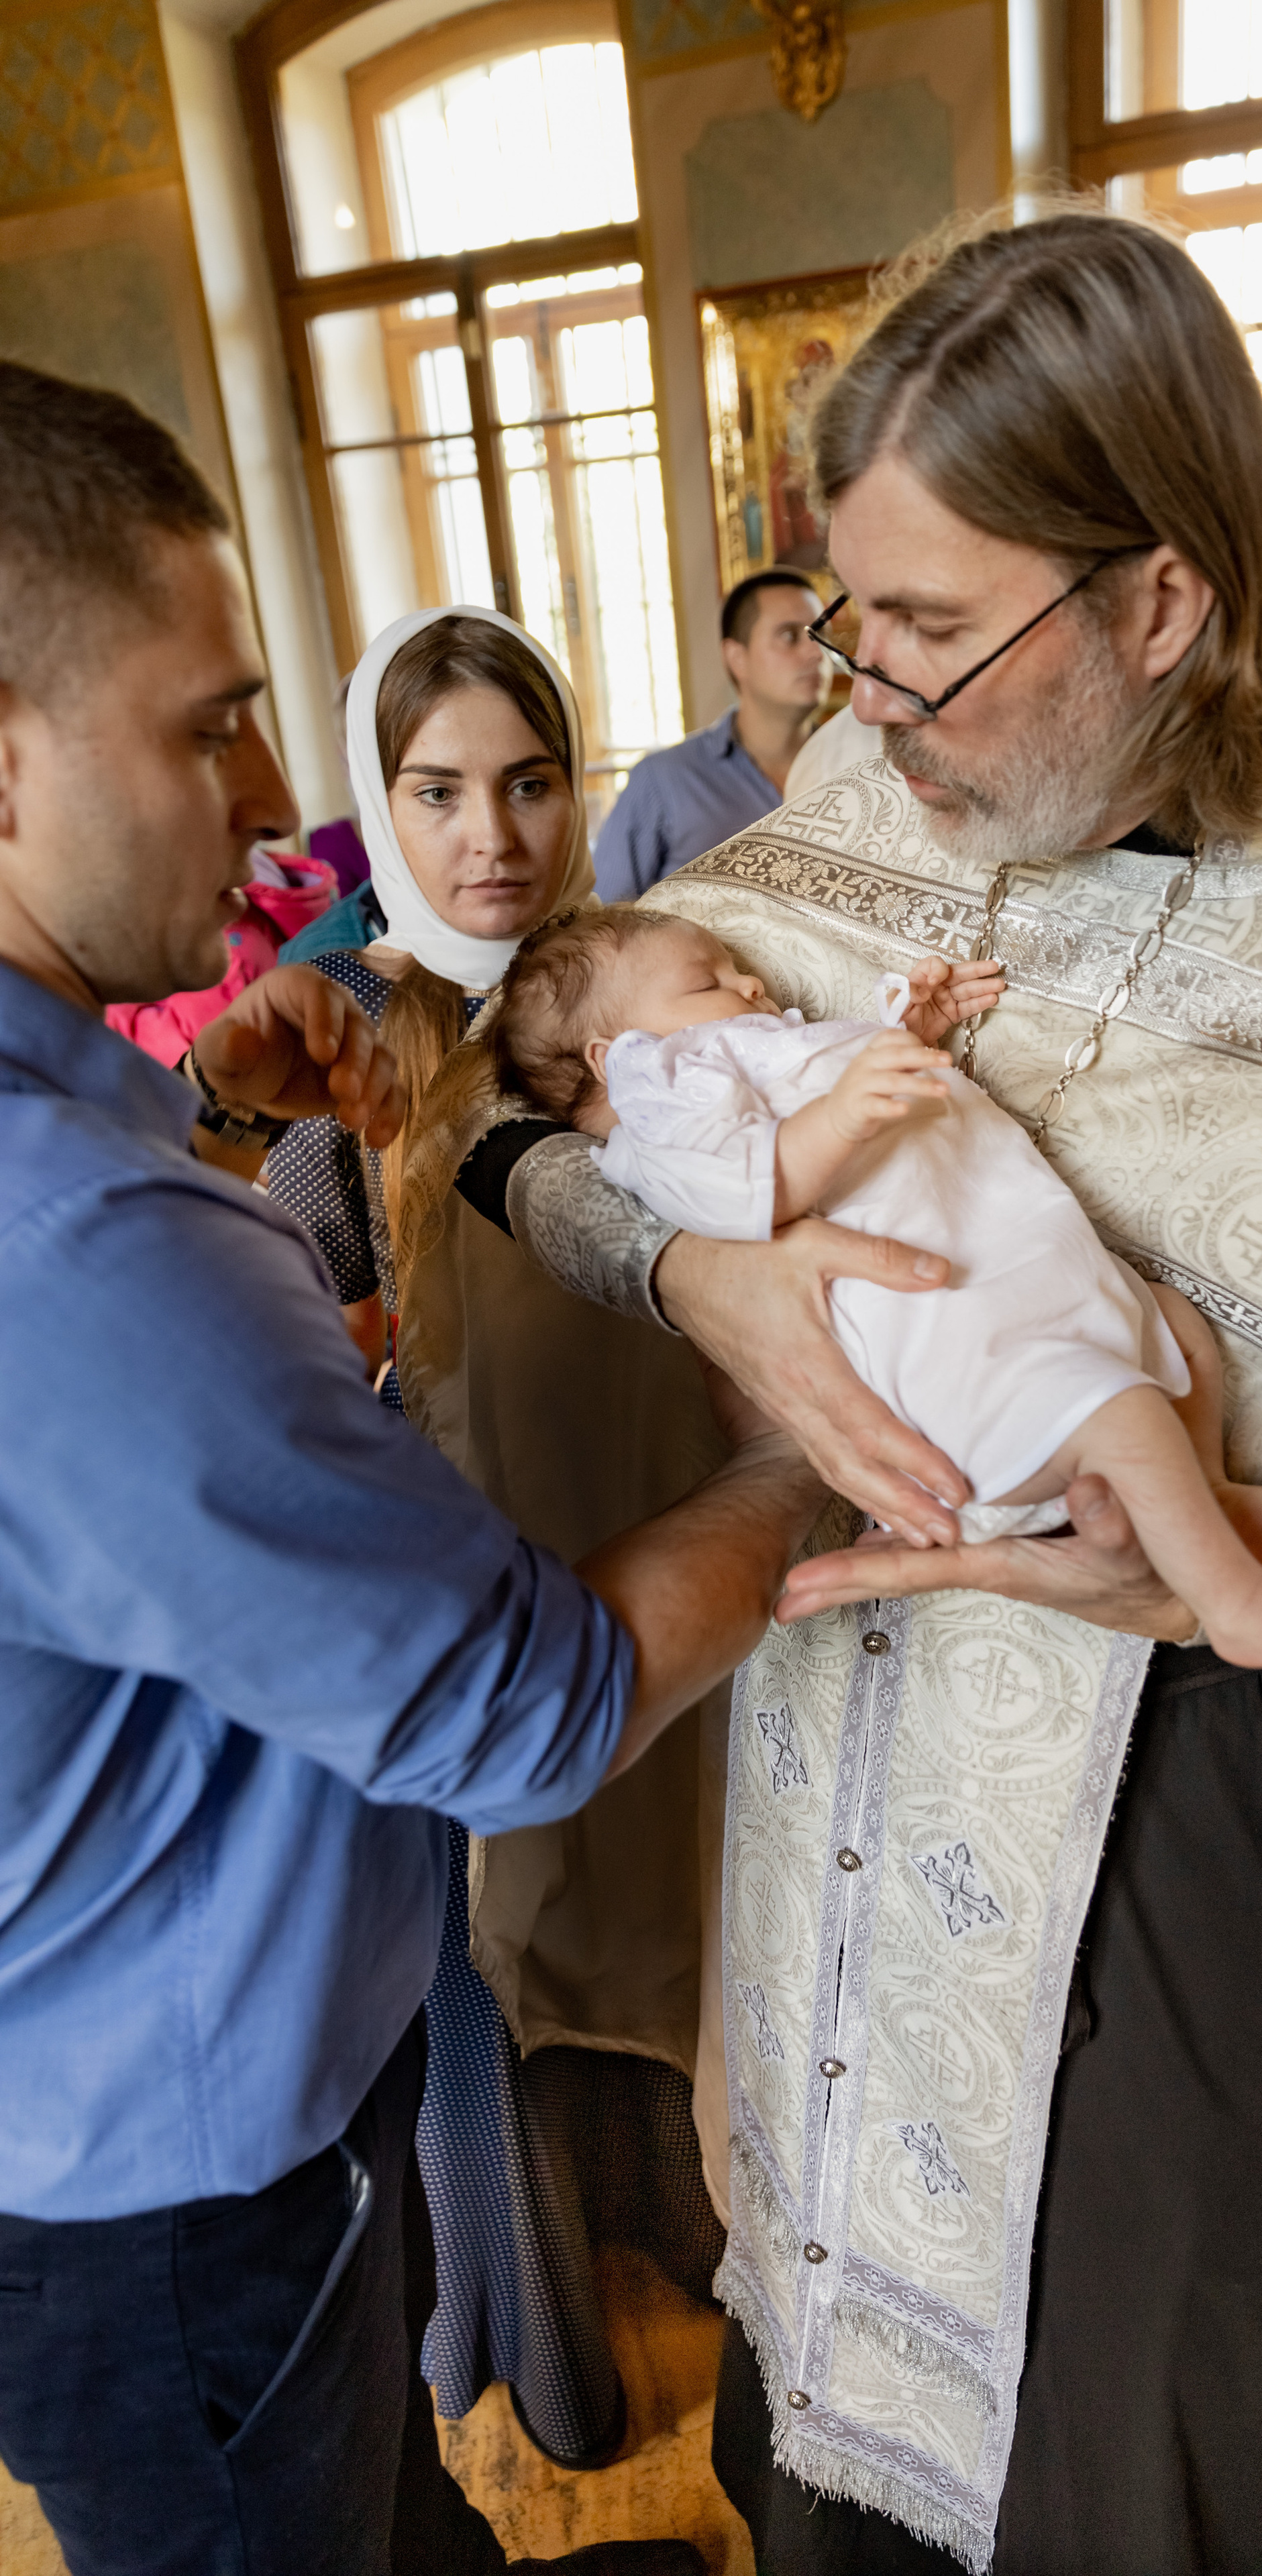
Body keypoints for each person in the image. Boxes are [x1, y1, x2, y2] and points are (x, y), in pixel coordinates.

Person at [431, 208, 1262, 2573]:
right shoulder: (856, 850)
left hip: (1193, 1868)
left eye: (919, 636)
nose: (855, 707)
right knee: (839, 2446)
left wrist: (1212, 1542)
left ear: (1160, 604)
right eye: (840, 627)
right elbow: (515, 1135)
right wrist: (706, 1275)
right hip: (852, 1827)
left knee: (1148, 2471)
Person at [0, 360, 837, 2573]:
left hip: (156, 2091)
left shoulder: (113, 1141)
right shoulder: (83, 1246)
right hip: (173, 2183)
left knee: (383, 2510)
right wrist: (823, 1439)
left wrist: (223, 1132)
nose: (281, 799)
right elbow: (525, 1708)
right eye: (209, 726)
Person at [263, 605, 746, 2477]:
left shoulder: (635, 995)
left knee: (683, 1925)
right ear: (376, 808)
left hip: (676, 1569)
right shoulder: (346, 1048)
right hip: (489, 1621)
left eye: (533, 779)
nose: (495, 835)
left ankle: (706, 2236)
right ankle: (544, 2339)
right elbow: (286, 1332)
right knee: (512, 1975)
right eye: (439, 790)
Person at [477, 903, 1262, 1668]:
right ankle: (1243, 1607)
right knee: (1122, 1409)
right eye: (707, 980)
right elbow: (742, 1186)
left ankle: (1204, 1502)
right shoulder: (661, 1099)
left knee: (1172, 1331)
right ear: (615, 1055)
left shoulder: (739, 1052)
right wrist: (846, 1110)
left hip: (1022, 1290)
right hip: (967, 1362)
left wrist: (904, 1034)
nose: (749, 983)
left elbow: (848, 1105)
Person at [594, 570, 827, 900]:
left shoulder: (859, 766)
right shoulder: (662, 782)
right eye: (790, 637)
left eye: (821, 636)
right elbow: (607, 918)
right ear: (736, 658)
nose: (817, 653)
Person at [105, 842, 337, 1067]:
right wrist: (188, 1053)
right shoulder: (122, 911)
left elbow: (310, 945)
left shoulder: (247, 875)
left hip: (296, 1059)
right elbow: (118, 1016)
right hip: (202, 1078)